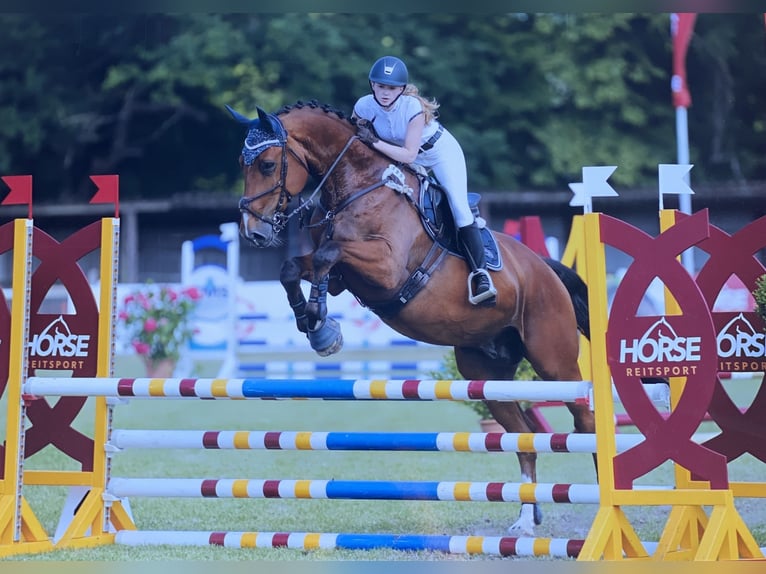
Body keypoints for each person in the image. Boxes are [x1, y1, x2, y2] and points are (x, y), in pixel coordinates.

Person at [352, 55, 497, 306]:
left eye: (392, 88)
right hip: (398, 158)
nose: (386, 93)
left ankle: (480, 274)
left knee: (458, 207)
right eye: (381, 86)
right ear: (372, 85)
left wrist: (373, 142)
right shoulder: (363, 107)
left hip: (437, 153)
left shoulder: (412, 107)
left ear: (401, 89)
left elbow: (409, 154)